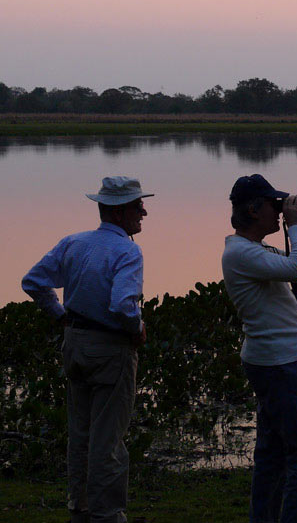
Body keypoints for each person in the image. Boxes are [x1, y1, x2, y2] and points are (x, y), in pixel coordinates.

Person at [21, 176, 152, 523]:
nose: (144, 212)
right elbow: (124, 305)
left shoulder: (73, 243)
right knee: (108, 439)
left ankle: (78, 507)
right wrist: (137, 328)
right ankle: (107, 514)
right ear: (122, 211)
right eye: (139, 206)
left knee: (80, 435)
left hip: (75, 345)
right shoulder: (128, 251)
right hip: (111, 350)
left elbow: (33, 281)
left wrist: (60, 316)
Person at [221, 174, 297, 523]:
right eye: (273, 205)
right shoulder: (241, 253)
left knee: (273, 455)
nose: (279, 212)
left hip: (272, 362)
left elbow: (296, 269)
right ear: (253, 209)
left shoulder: (250, 251)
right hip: (279, 366)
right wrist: (294, 226)